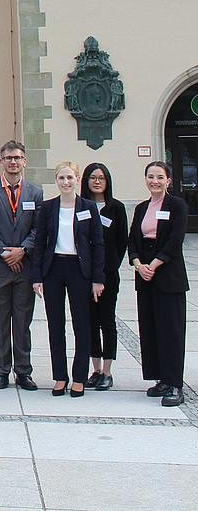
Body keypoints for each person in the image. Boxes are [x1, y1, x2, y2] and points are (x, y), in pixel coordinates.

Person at [31, 162, 104, 398]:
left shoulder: (88, 207)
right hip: (53, 268)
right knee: (55, 325)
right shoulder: (48, 207)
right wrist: (37, 276)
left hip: (79, 269)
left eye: (70, 178)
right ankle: (60, 376)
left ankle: (80, 377)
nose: (66, 182)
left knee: (81, 325)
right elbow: (40, 242)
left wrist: (97, 278)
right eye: (62, 178)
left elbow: (98, 244)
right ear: (56, 180)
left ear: (77, 179)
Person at [0, 141, 42, 391]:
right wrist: (5, 253)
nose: (13, 162)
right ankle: (1, 370)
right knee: (0, 321)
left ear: (25, 161)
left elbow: (38, 228)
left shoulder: (35, 193)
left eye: (17, 158)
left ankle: (23, 371)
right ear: (1, 161)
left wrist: (22, 250)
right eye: (8, 158)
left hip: (25, 266)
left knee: (23, 322)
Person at [128, 161, 189, 407]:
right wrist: (138, 264)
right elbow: (132, 239)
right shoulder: (142, 208)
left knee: (171, 331)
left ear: (168, 180)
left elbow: (175, 240)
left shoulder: (177, 205)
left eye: (160, 177)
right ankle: (161, 379)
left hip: (168, 274)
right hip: (145, 276)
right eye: (151, 177)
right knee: (151, 329)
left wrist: (153, 264)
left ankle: (174, 383)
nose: (155, 181)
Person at [81, 162, 128, 391]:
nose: (97, 181)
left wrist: (108, 271)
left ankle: (108, 371)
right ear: (86, 181)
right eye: (92, 177)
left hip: (108, 275)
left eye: (101, 178)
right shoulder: (82, 207)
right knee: (90, 323)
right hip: (84, 275)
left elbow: (122, 242)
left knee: (107, 322)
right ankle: (96, 369)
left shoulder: (116, 208)